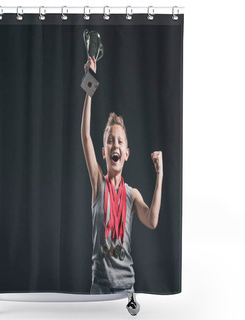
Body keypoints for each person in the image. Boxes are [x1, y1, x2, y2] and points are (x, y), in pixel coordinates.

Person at [81, 56, 163, 294]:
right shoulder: (98, 182)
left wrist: (159, 175)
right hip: (99, 286)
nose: (114, 145)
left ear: (126, 153)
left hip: (127, 286)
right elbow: (85, 136)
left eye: (119, 142)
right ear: (104, 152)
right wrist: (90, 83)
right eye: (109, 141)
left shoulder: (132, 194)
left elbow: (152, 220)